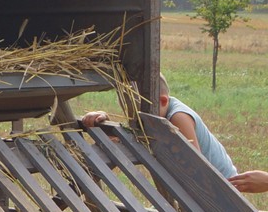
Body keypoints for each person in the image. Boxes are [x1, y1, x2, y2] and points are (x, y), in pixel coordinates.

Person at [79, 73, 235, 177]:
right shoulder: (153, 115)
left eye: (138, 112)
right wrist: (104, 120)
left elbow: (194, 165)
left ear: (162, 101)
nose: (135, 119)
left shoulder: (178, 117)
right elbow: (135, 135)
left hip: (223, 186)